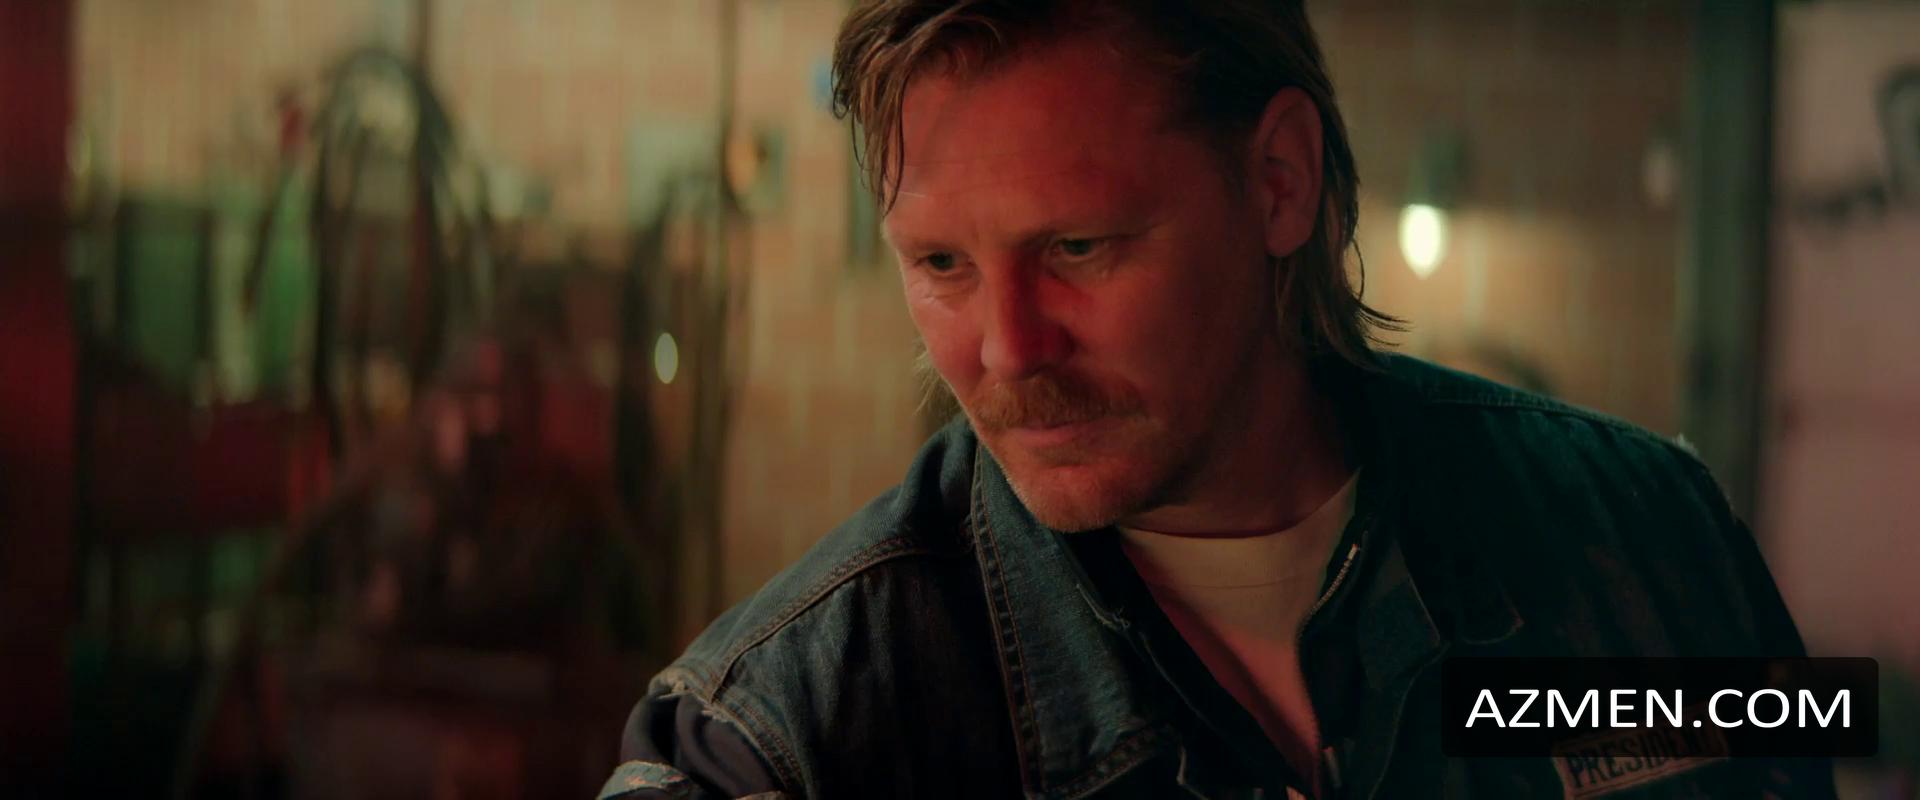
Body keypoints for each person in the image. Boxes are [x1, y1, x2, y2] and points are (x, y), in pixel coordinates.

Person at [601, 2, 1827, 797]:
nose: (1008, 349)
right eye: (941, 264)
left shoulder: (1649, 537)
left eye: (1078, 246)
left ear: (1279, 181)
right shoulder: (780, 734)